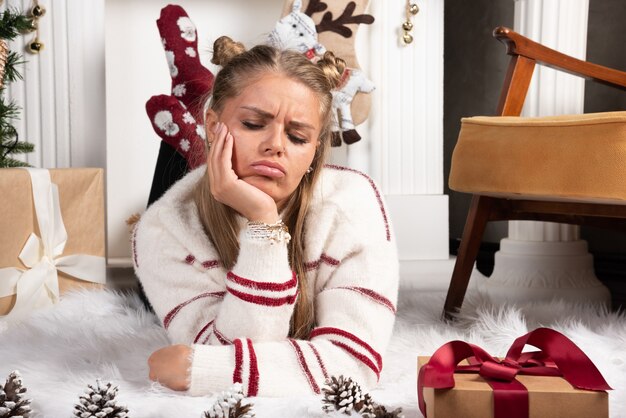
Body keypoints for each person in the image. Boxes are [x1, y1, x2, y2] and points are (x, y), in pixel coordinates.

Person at [132, 36, 399, 397]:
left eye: (297, 136)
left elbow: (352, 369)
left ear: (316, 147)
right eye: (255, 124)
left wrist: (205, 371)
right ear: (213, 126)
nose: (275, 145)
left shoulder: (354, 203)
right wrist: (264, 226)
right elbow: (228, 346)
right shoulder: (164, 229)